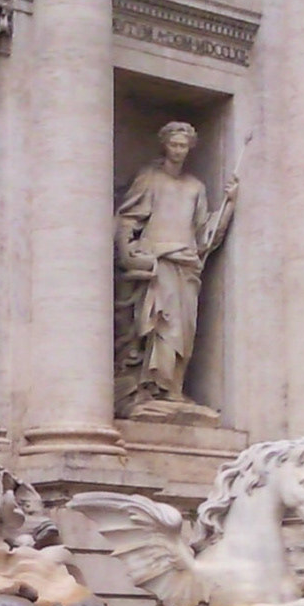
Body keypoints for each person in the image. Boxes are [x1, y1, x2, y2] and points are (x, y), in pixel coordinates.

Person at [113, 121, 236, 414]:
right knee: (161, 324)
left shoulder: (196, 187)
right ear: (164, 145)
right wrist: (127, 253)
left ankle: (173, 388)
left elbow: (205, 232)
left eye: (183, 146)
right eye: (174, 145)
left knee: (182, 330)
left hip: (187, 264)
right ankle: (153, 388)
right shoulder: (149, 178)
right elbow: (128, 218)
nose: (178, 151)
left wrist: (229, 205)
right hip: (159, 260)